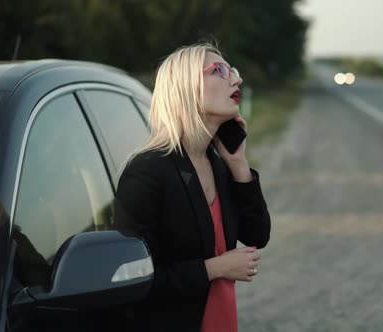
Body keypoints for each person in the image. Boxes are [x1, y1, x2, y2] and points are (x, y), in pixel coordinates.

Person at [113, 43, 271, 331]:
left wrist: (239, 164)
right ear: (186, 87)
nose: (237, 79)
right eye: (220, 71)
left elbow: (256, 234)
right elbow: (133, 279)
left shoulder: (219, 163)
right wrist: (216, 268)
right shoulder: (148, 172)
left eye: (232, 71)